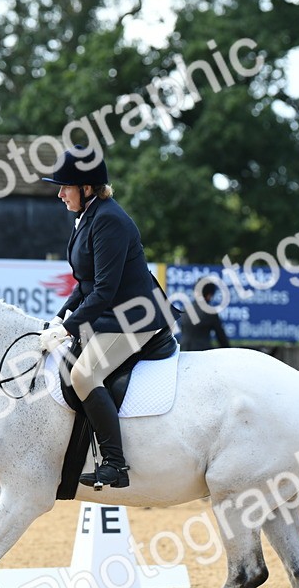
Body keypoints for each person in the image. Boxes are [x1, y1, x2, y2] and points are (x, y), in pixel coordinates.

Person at [38, 146, 170, 489]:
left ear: (87, 187)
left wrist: (68, 328)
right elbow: (85, 284)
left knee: (83, 374)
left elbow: (104, 292)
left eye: (65, 186)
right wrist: (58, 319)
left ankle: (115, 463)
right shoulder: (88, 217)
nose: (60, 193)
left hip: (134, 317)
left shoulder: (108, 219)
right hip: (112, 313)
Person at [179, 279, 231, 351]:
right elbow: (221, 338)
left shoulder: (185, 309)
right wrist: (228, 352)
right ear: (209, 295)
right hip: (202, 353)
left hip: (183, 352)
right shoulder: (209, 311)